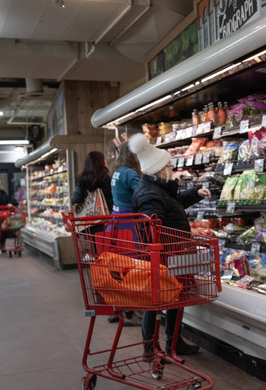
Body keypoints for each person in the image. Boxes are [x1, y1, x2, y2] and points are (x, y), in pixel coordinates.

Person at [129, 134, 210, 357]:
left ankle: (173, 342)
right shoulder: (149, 193)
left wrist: (194, 194)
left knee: (175, 298)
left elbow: (171, 207)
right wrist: (163, 247)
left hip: (173, 254)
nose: (172, 169)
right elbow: (151, 228)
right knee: (157, 301)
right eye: (169, 166)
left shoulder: (157, 189)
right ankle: (151, 347)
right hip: (165, 256)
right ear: (159, 169)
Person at [107, 140, 143, 325]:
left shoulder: (118, 171)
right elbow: (144, 191)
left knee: (119, 266)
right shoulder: (129, 173)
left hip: (116, 221)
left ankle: (119, 308)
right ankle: (133, 310)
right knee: (132, 265)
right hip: (128, 224)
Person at [71, 151, 114, 236]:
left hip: (90, 224)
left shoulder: (82, 180)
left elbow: (75, 200)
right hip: (107, 221)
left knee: (94, 248)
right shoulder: (108, 179)